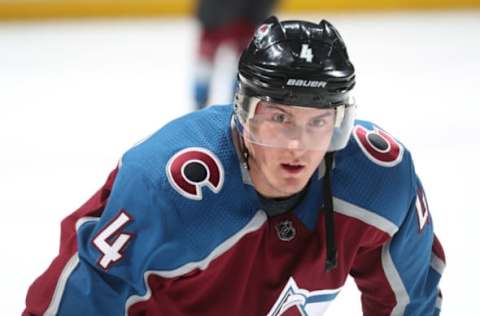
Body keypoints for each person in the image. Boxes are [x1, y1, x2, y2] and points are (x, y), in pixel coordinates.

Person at [23, 16, 445, 315]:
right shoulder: (170, 186)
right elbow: (84, 295)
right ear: (243, 113)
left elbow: (412, 302)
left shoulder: (379, 181)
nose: (297, 144)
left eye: (318, 122)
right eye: (278, 118)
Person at [193, 0, 278, 109]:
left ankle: (236, 101)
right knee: (206, 61)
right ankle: (201, 101)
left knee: (244, 61)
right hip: (218, 18)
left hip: (247, 18)